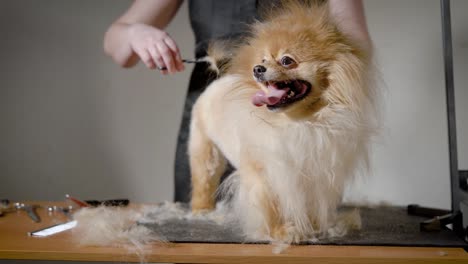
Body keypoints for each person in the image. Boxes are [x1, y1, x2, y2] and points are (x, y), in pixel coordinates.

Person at [104, 0, 371, 203]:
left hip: (300, 131)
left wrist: (306, 54)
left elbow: (357, 43)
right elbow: (117, 45)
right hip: (214, 118)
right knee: (201, 226)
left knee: (293, 233)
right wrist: (133, 34)